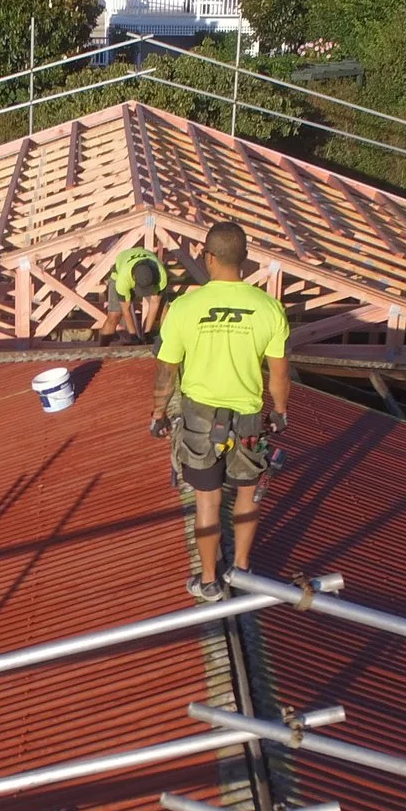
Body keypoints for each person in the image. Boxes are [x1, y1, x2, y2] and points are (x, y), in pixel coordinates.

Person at [151, 220, 291, 602]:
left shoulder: (184, 307)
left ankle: (209, 580)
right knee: (248, 496)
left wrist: (158, 413)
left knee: (208, 502)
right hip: (247, 421)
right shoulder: (268, 308)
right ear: (243, 260)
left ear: (208, 257)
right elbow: (279, 372)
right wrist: (279, 412)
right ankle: (242, 571)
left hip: (199, 422)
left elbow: (167, 370)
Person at [105, 243, 173, 340]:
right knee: (114, 315)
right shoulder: (123, 279)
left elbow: (155, 303)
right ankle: (102, 347)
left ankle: (166, 341)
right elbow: (126, 309)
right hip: (121, 269)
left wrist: (147, 332)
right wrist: (133, 335)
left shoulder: (161, 275)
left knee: (164, 309)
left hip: (143, 262)